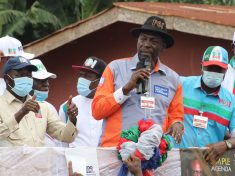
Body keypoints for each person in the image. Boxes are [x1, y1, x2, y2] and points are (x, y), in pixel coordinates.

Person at [92, 16, 184, 147]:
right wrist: (126, 89)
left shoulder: (173, 79)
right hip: (114, 151)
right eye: (143, 39)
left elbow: (176, 116)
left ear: (163, 46)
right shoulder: (115, 68)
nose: (146, 44)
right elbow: (97, 111)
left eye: (153, 41)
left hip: (153, 155)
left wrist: (177, 124)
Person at [173, 46, 235, 163]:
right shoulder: (180, 85)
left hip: (208, 165)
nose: (214, 72)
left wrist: (226, 144)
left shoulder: (232, 102)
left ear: (226, 70)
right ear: (201, 66)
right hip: (175, 162)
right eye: (210, 67)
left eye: (218, 69)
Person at [0, 56, 78, 146]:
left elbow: (66, 137)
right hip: (11, 160)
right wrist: (22, 112)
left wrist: (72, 119)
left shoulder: (42, 106)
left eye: (28, 75)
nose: (26, 79)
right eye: (21, 75)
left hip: (39, 160)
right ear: (7, 79)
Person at [59, 56, 106, 147]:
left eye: (88, 76)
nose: (82, 79)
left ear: (101, 80)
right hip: (77, 159)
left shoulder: (110, 104)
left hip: (104, 159)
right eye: (81, 75)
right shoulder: (67, 107)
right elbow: (62, 142)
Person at [30, 58, 62, 147]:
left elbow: (58, 138)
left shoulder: (49, 107)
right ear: (28, 80)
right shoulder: (17, 106)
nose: (46, 84)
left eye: (47, 80)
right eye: (41, 80)